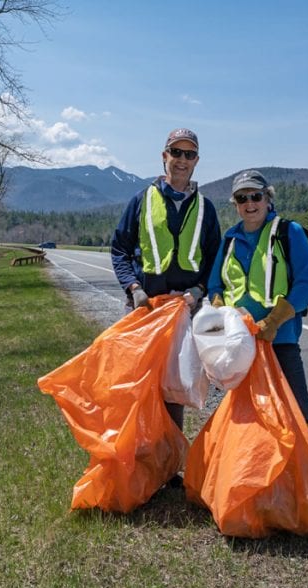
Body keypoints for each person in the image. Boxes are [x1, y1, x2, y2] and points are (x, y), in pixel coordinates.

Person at [110, 127, 222, 434]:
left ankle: (169, 462)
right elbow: (119, 248)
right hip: (144, 308)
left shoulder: (205, 208)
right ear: (164, 157)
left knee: (174, 387)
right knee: (138, 383)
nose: (181, 160)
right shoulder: (141, 200)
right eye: (176, 152)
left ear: (196, 160)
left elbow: (215, 257)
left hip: (182, 311)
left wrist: (199, 290)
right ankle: (138, 455)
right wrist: (133, 288)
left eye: (189, 154)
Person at [206, 169, 308, 443]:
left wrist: (273, 321)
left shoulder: (287, 232)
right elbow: (215, 286)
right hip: (240, 344)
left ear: (267, 198)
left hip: (280, 340)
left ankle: (304, 476)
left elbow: (306, 282)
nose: (250, 203)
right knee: (246, 414)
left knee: (296, 409)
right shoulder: (230, 239)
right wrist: (220, 307)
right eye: (241, 198)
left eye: (255, 196)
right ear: (235, 204)